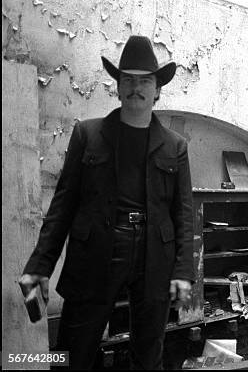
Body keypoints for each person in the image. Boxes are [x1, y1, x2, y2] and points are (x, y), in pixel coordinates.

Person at [18, 35, 194, 370]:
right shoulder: (88, 134)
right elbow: (62, 206)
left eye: (145, 80)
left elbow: (183, 214)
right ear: (117, 85)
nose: (135, 87)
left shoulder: (176, 146)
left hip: (153, 257)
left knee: (148, 355)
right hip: (97, 250)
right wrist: (39, 266)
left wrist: (184, 271)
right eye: (127, 79)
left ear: (157, 89)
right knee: (72, 351)